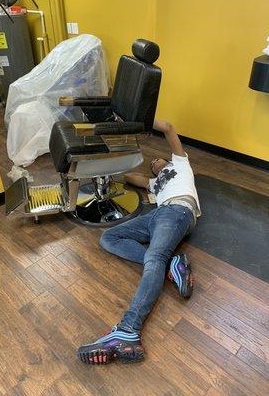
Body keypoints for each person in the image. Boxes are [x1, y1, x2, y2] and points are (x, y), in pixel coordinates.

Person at [77, 120, 201, 365]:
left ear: (168, 160)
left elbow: (168, 128)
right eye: (153, 164)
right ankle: (173, 265)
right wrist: (112, 164)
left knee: (155, 258)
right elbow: (131, 178)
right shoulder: (155, 183)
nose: (155, 163)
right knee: (108, 237)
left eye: (158, 160)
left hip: (178, 211)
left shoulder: (181, 164)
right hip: (158, 215)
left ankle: (128, 330)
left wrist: (135, 120)